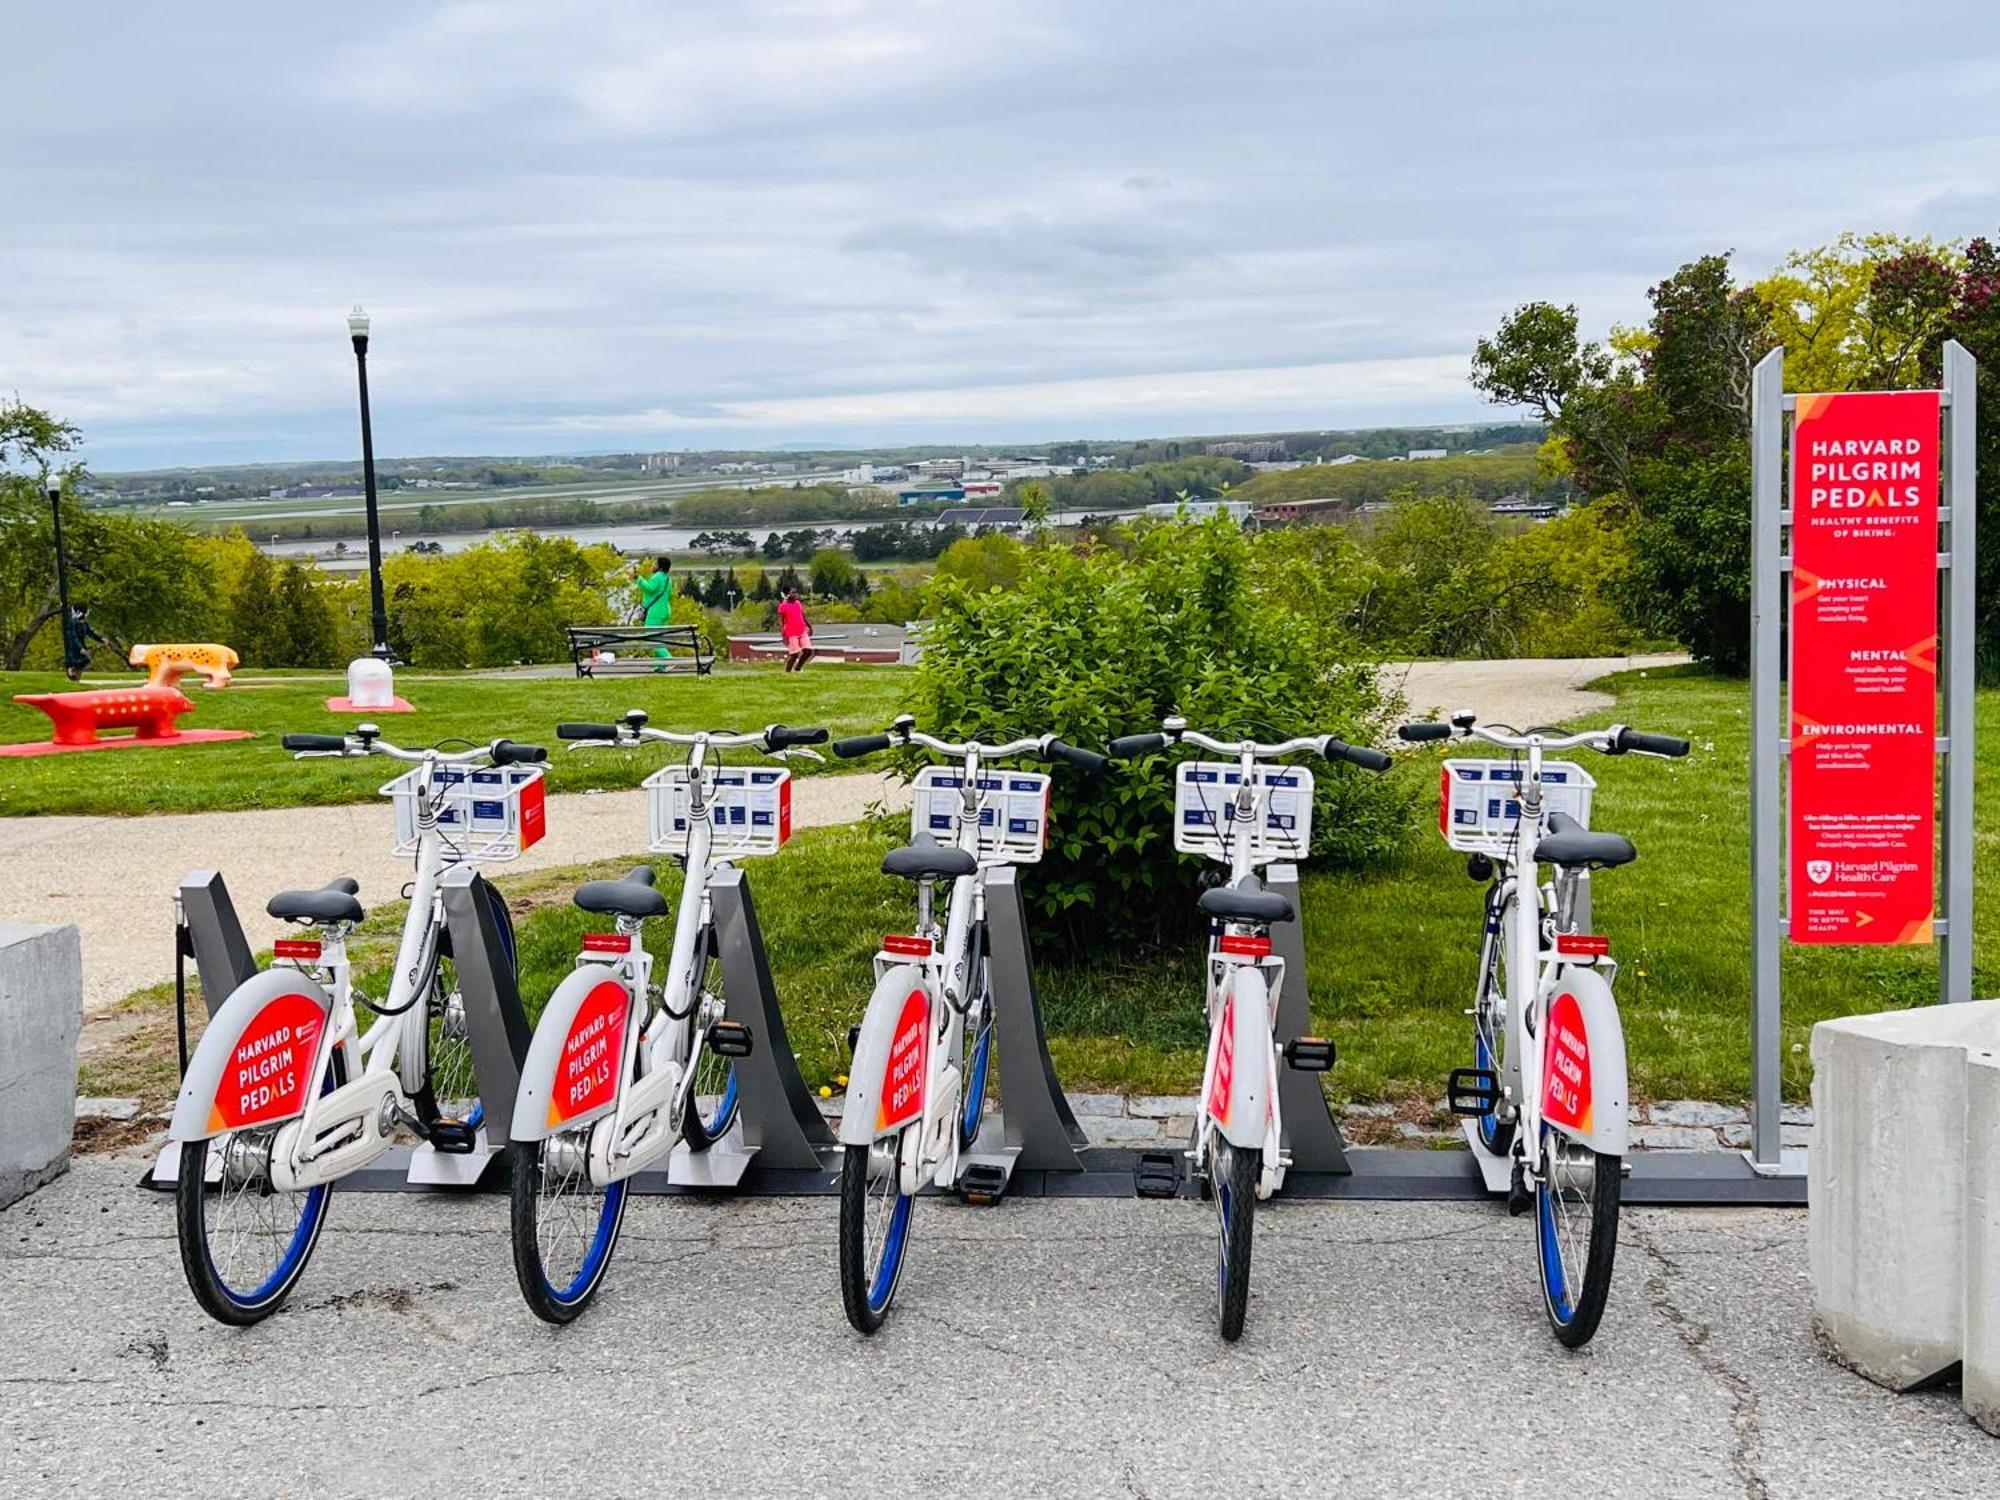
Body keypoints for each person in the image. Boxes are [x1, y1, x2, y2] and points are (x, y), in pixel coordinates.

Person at [636, 556, 674, 660]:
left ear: (660, 567)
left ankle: (668, 659)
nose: (653, 566)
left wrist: (639, 579)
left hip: (655, 612)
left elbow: (649, 588)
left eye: (655, 564)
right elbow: (670, 594)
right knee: (660, 639)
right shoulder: (668, 579)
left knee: (651, 638)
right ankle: (661, 665)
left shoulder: (657, 576)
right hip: (665, 611)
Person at [61, 602, 108, 682]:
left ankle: (75, 674)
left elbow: (90, 633)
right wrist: (80, 648)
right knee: (80, 661)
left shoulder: (83, 623)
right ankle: (71, 670)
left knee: (86, 660)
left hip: (81, 646)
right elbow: (73, 637)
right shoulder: (72, 623)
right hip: (73, 648)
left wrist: (101, 639)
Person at [777, 588, 813, 673]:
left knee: (808, 651)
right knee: (794, 654)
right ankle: (787, 672)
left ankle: (798, 668)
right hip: (791, 633)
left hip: (802, 630)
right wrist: (783, 632)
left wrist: (809, 626)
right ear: (787, 595)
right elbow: (781, 621)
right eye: (793, 593)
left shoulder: (798, 603)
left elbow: (803, 616)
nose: (795, 594)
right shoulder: (783, 606)